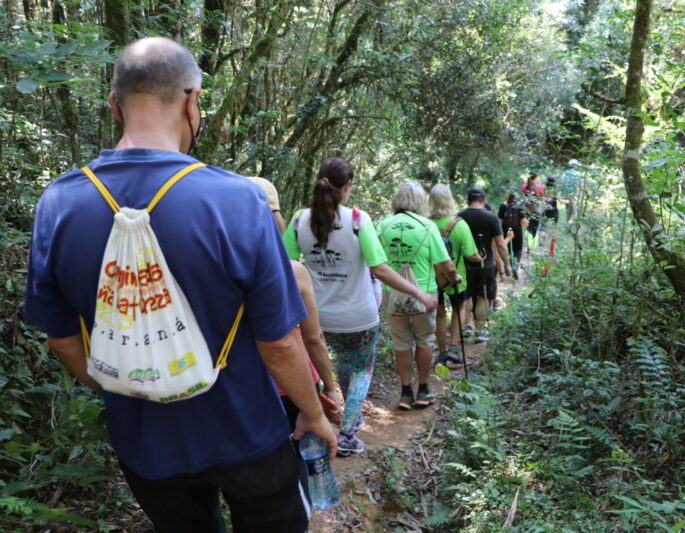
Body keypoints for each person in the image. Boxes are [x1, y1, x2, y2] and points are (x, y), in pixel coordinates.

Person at [24, 37, 334, 532]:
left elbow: (62, 340)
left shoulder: (59, 204)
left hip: (146, 445)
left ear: (114, 104)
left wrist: (138, 382)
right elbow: (278, 343)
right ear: (193, 102)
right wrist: (314, 415)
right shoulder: (236, 200)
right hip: (248, 436)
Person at [284, 157, 436, 455]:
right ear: (347, 187)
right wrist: (419, 293)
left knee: (342, 366)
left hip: (317, 318)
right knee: (361, 371)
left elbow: (284, 265)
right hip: (359, 316)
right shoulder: (357, 220)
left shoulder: (299, 221)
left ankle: (333, 422)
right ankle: (346, 434)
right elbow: (380, 269)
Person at [376, 182, 458, 410]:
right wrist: (454, 278)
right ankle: (423, 389)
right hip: (424, 293)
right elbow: (446, 264)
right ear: (420, 201)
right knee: (424, 340)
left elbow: (375, 262)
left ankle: (405, 393)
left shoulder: (382, 226)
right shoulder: (428, 226)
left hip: (392, 293)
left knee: (401, 343)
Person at [278, 261, 343, 432]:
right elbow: (313, 338)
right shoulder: (292, 271)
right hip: (296, 380)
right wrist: (330, 389)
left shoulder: (210, 270)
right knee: (305, 448)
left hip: (239, 386)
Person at [428, 184, 482, 366]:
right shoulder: (459, 225)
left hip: (432, 278)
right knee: (459, 309)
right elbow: (471, 255)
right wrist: (481, 257)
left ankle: (442, 352)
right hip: (456, 277)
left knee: (439, 313)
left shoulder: (425, 224)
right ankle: (453, 348)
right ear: (449, 200)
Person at [458, 187, 510, 343]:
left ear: (468, 200)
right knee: (482, 297)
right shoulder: (491, 218)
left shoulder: (459, 217)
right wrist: (507, 264)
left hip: (464, 265)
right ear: (483, 200)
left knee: (466, 297)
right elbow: (500, 244)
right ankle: (480, 331)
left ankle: (466, 326)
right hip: (486, 265)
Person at [497, 191, 525, 279]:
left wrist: (499, 231)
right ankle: (515, 267)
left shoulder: (503, 206)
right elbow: (523, 221)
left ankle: (508, 266)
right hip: (517, 230)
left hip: (505, 230)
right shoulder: (519, 206)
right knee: (518, 249)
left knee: (506, 249)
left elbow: (499, 220)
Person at [561, 160, 581, 224]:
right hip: (574, 194)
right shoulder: (578, 174)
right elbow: (579, 184)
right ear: (575, 165)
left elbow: (562, 182)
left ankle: (568, 222)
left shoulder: (565, 173)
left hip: (565, 193)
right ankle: (569, 223)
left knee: (568, 209)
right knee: (574, 210)